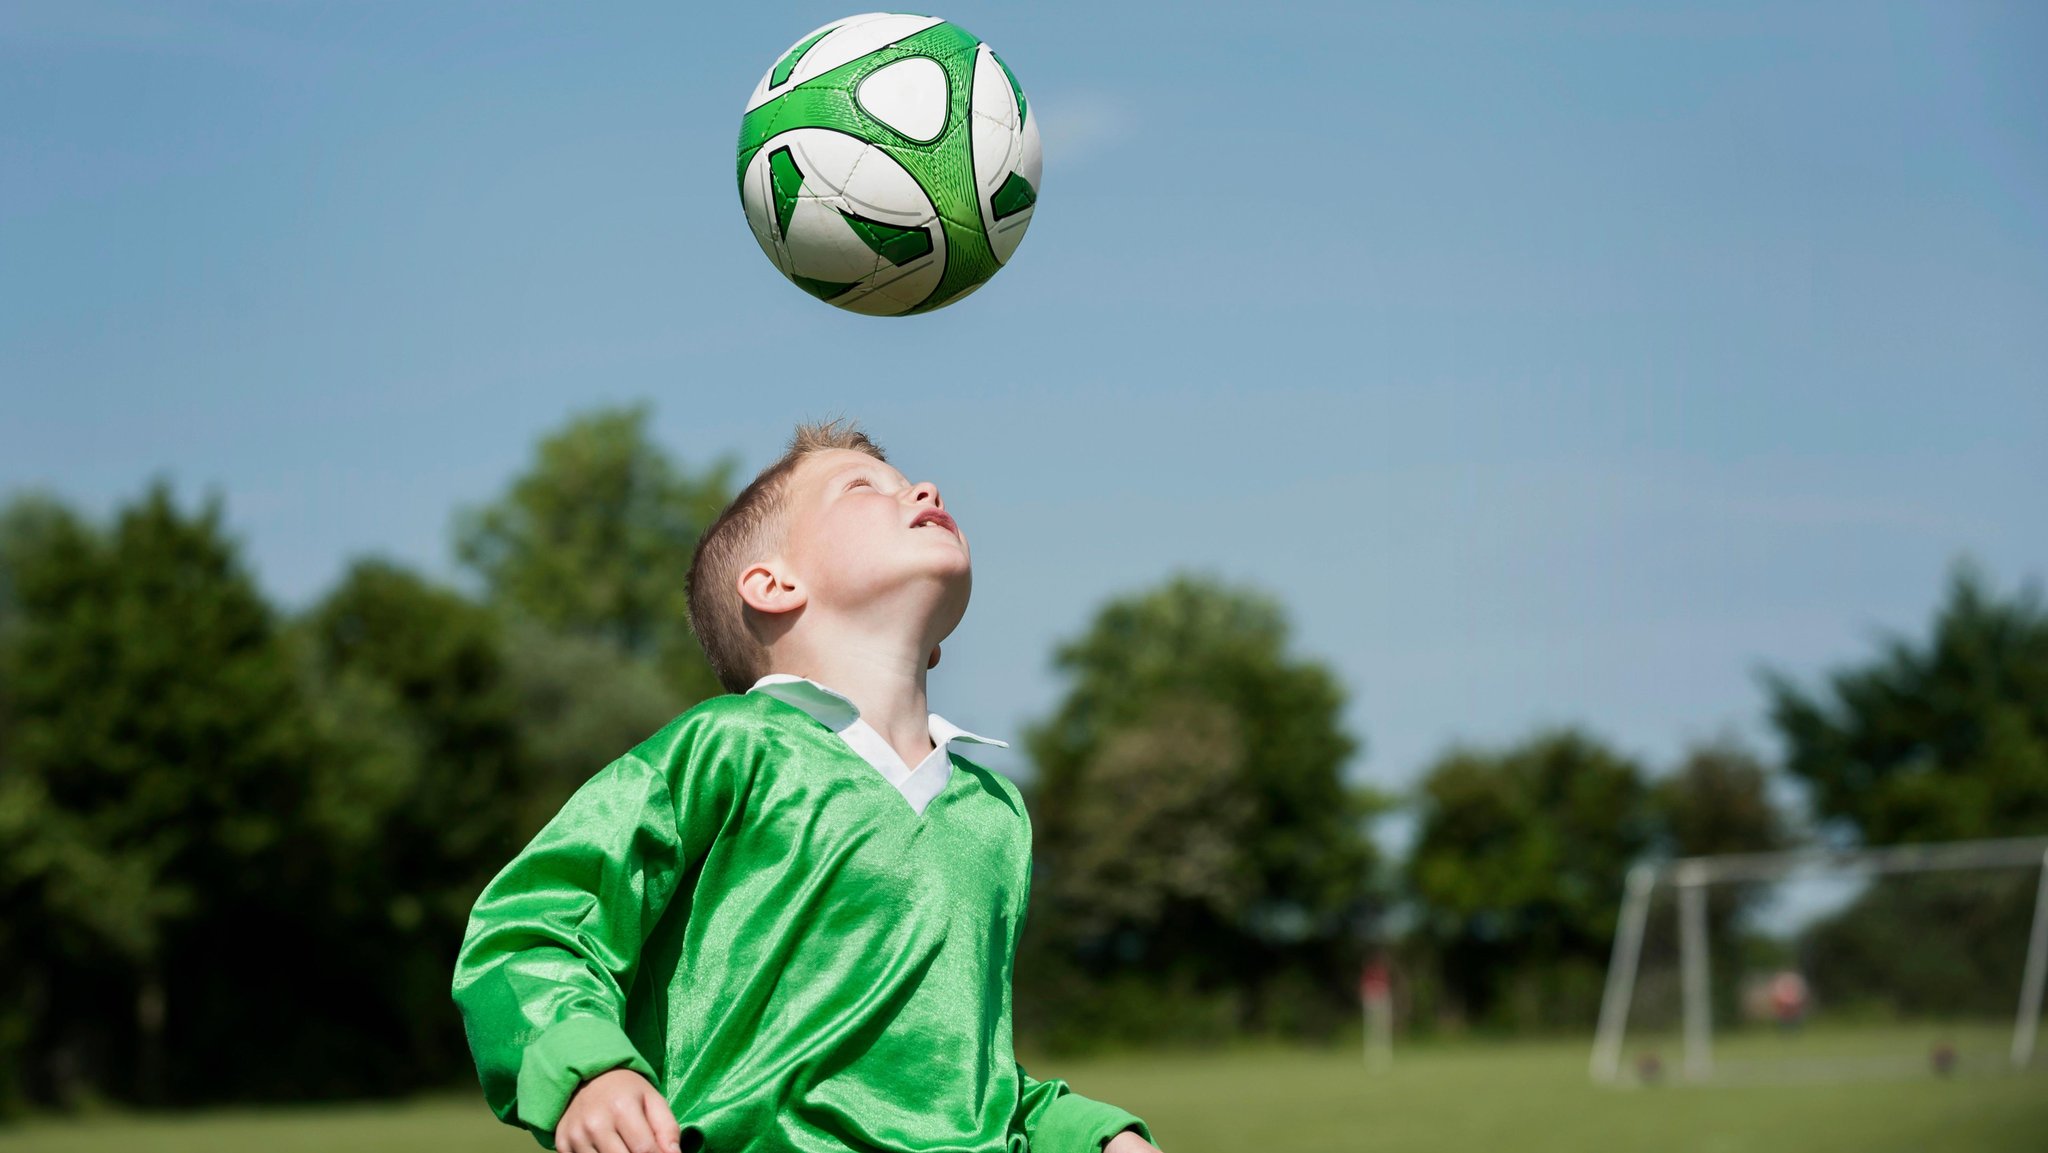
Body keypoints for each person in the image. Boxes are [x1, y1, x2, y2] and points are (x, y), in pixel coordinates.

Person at [450, 419, 1162, 1153]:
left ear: (942, 640)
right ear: (772, 583)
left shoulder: (995, 813)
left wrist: (1091, 1137)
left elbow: (970, 1085)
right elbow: (530, 926)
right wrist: (586, 1068)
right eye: (863, 487)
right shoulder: (727, 745)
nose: (927, 489)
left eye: (911, 482)